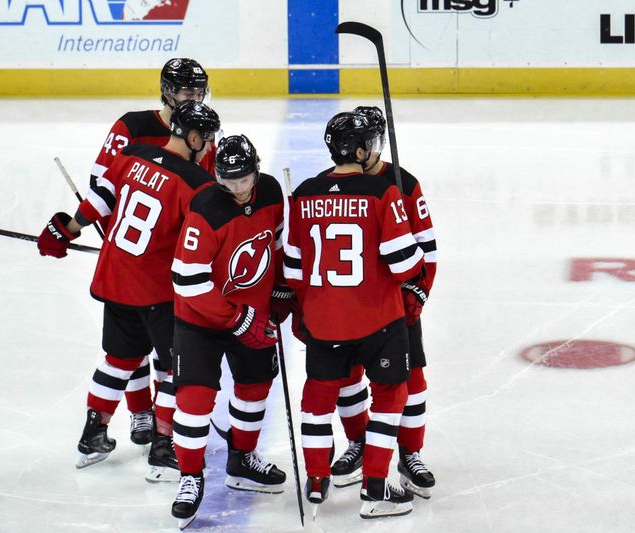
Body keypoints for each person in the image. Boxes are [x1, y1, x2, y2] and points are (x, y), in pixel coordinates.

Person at [37, 100, 221, 480]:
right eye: (207, 137)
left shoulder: (132, 154)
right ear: (191, 136)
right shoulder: (195, 183)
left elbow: (101, 200)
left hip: (115, 278)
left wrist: (68, 229)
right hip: (158, 292)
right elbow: (198, 241)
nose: (210, 145)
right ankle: (163, 444)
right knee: (174, 370)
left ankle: (93, 436)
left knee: (118, 359)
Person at [284, 112, 425, 519]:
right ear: (361, 150)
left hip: (323, 322)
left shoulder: (306, 192)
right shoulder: (382, 191)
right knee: (389, 397)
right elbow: (404, 265)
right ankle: (375, 489)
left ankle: (315, 482)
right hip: (377, 320)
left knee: (317, 398)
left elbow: (293, 271)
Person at [169, 134, 287, 529]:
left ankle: (241, 458)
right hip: (201, 320)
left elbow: (279, 243)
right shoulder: (206, 208)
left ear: (256, 170)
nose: (236, 189)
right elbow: (187, 280)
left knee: (255, 388)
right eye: (227, 181)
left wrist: (282, 291)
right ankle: (189, 476)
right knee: (195, 399)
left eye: (243, 180)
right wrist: (238, 319)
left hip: (252, 311)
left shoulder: (270, 191)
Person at [330, 105, 438, 498]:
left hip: (394, 306)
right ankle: (359, 443)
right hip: (346, 306)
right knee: (346, 378)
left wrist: (418, 293)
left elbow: (428, 249)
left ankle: (410, 454)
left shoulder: (403, 184)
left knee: (412, 381)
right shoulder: (333, 185)